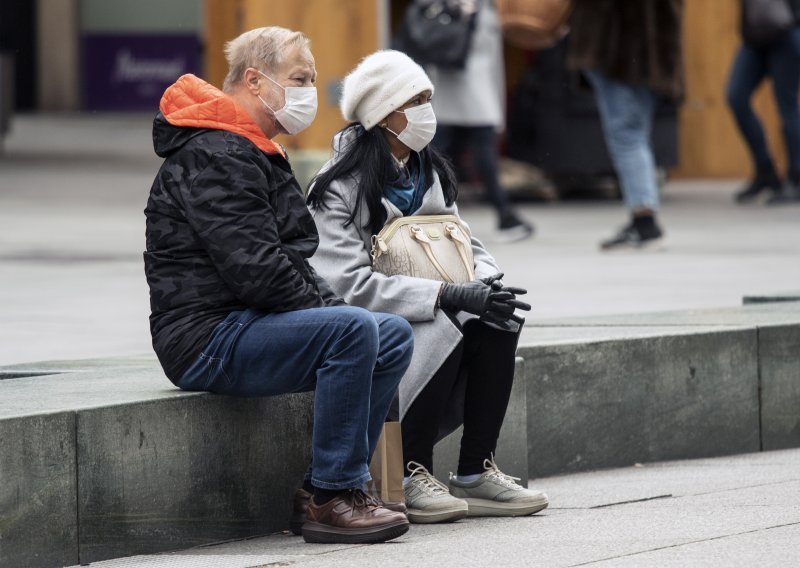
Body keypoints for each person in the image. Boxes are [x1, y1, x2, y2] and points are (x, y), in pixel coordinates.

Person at [143, 27, 414, 545]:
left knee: (391, 333)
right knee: (353, 330)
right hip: (205, 336)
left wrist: (333, 308)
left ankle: (335, 484)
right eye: (299, 78)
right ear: (255, 81)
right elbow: (258, 272)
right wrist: (336, 314)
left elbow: (281, 264)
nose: (310, 92)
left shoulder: (246, 148)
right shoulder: (216, 154)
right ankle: (333, 496)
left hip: (245, 319)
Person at [307, 50, 548, 524]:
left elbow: (464, 242)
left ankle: (476, 471)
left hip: (437, 302)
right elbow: (345, 284)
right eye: (415, 100)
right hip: (383, 318)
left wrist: (486, 283)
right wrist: (442, 296)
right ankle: (409, 471)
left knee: (497, 320)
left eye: (428, 99)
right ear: (383, 114)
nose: (426, 112)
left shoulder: (427, 171)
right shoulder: (337, 185)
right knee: (444, 325)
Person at [567, 0, 684, 250]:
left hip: (620, 58)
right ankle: (642, 218)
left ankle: (645, 222)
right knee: (634, 136)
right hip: (647, 58)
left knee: (627, 138)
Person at [426, 0, 534, 242]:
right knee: (469, 150)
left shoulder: (489, 7)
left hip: (468, 83)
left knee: (445, 152)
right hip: (463, 82)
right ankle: (505, 214)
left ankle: (428, 210)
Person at [727, 0, 800, 204]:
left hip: (788, 29)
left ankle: (796, 178)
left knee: (786, 104)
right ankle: (765, 171)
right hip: (756, 35)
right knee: (736, 97)